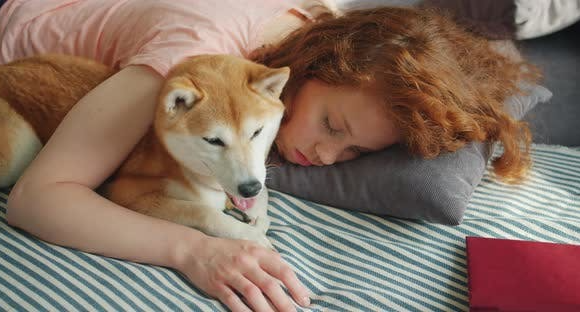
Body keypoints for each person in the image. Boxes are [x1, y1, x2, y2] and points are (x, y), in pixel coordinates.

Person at [0, 1, 537, 311]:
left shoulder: (327, 22)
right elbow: (39, 199)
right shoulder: (189, 61)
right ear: (307, 68)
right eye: (330, 125)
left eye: (352, 151)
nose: (325, 156)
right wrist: (195, 252)